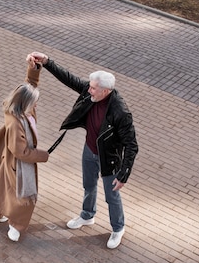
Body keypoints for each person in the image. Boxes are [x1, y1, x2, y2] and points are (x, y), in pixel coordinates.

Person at [26, 52, 138, 249]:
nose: (89, 90)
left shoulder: (120, 112)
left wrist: (124, 174)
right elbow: (69, 79)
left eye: (94, 88)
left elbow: (131, 145)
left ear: (106, 91)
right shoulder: (90, 91)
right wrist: (47, 62)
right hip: (89, 150)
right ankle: (87, 216)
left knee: (111, 196)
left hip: (109, 159)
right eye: (90, 86)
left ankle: (118, 228)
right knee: (88, 185)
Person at [0, 63, 49, 242]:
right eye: (34, 101)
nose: (37, 104)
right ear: (27, 103)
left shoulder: (18, 109)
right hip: (19, 164)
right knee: (24, 197)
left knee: (3, 188)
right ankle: (16, 226)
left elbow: (29, 87)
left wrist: (34, 70)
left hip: (9, 162)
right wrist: (42, 156)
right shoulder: (16, 123)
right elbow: (20, 151)